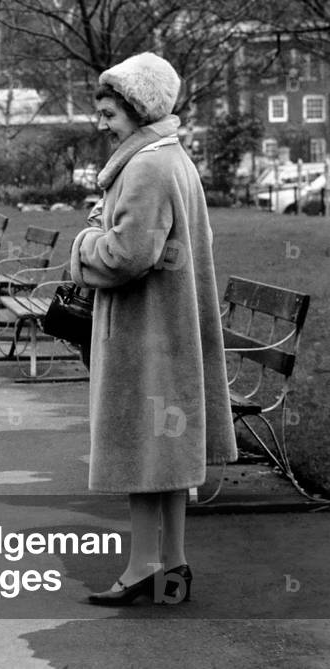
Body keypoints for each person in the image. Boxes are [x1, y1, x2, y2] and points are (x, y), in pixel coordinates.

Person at [70, 52, 236, 606]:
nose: (101, 123)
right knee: (167, 452)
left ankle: (143, 567)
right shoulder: (173, 158)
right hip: (171, 328)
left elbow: (126, 256)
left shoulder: (146, 166)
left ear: (139, 111)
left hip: (144, 333)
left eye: (109, 113)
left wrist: (83, 244)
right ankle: (173, 565)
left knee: (141, 450)